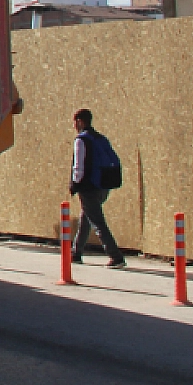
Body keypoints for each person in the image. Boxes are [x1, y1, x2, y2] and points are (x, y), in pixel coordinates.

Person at [70, 108, 125, 267]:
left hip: (88, 187)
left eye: (75, 122)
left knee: (97, 222)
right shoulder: (100, 138)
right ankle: (76, 252)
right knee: (86, 218)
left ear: (80, 121)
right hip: (103, 185)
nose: (74, 126)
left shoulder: (81, 140)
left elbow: (78, 167)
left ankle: (116, 256)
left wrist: (75, 184)